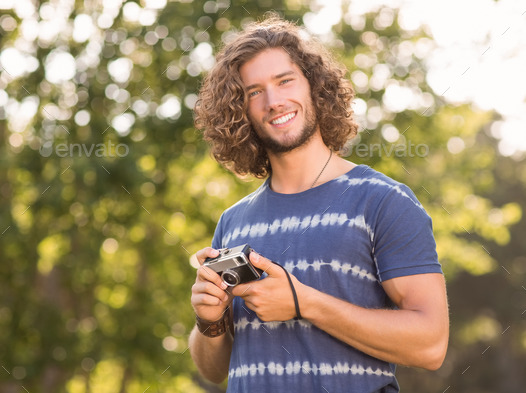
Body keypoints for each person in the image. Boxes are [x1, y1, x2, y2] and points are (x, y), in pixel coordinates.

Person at [189, 15, 449, 393]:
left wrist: (303, 303)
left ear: (315, 86)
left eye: (285, 81)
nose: (274, 101)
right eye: (254, 91)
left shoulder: (382, 201)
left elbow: (431, 345)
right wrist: (208, 320)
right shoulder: (234, 221)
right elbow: (214, 371)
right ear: (240, 110)